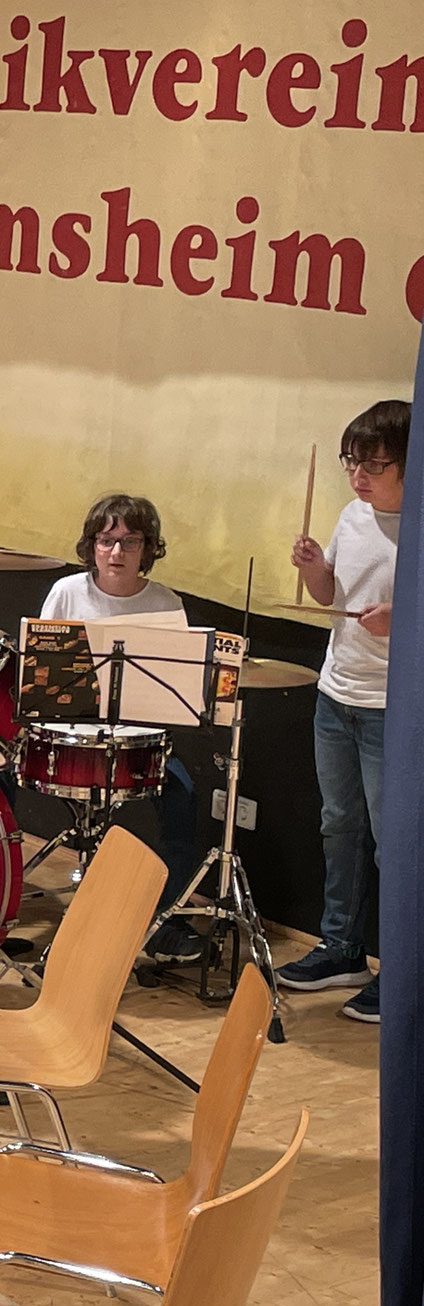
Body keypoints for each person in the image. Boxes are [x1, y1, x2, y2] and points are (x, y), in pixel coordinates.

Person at [277, 399, 407, 1025]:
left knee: (393, 845)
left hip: (394, 707)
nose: (358, 476)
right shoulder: (353, 515)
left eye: (374, 464)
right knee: (339, 829)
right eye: (351, 462)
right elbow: (332, 596)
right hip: (337, 693)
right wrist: (313, 570)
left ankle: (399, 973)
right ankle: (341, 949)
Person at [36, 493, 204, 962]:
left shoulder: (166, 603)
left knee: (183, 795)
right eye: (107, 541)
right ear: (91, 545)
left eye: (129, 542)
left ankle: (166, 921)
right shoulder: (67, 593)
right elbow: (44, 677)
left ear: (147, 549)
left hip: (138, 739)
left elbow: (174, 694)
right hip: (72, 735)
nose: (116, 553)